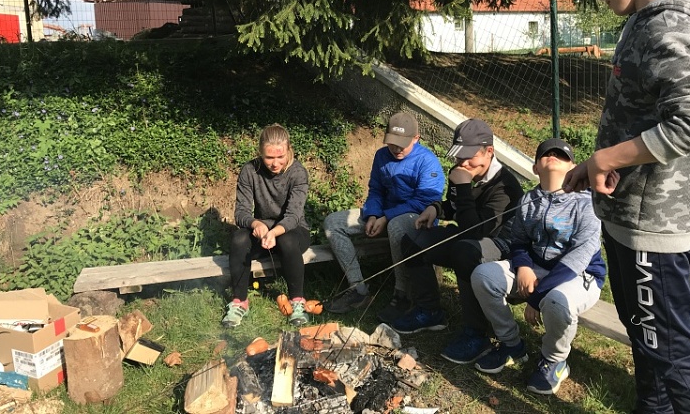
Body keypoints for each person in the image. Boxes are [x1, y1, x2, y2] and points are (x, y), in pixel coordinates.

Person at [564, 0, 690, 414]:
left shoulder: (670, 26)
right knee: (647, 339)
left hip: (652, 224)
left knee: (672, 353)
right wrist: (593, 164)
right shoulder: (645, 21)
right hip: (628, 215)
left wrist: (606, 158)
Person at [471, 138, 605, 395]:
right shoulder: (529, 200)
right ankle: (512, 345)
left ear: (573, 167)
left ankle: (555, 360)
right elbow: (519, 241)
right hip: (536, 268)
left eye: (562, 155)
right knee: (483, 275)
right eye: (546, 154)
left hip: (579, 275)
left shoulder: (587, 204)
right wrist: (523, 267)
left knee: (556, 301)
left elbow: (578, 259)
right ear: (535, 167)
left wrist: (536, 297)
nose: (553, 156)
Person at [391, 118, 524, 365]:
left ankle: (477, 333)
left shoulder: (505, 187)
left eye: (470, 156)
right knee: (413, 240)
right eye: (459, 156)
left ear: (489, 151)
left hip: (500, 246)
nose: (462, 162)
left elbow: (477, 231)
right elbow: (455, 208)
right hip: (468, 237)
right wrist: (436, 209)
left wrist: (463, 188)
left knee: (465, 252)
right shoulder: (461, 173)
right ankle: (429, 310)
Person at [323, 112, 444, 321]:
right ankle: (358, 289)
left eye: (402, 145)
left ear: (416, 138)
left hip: (414, 219)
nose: (396, 149)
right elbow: (376, 190)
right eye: (392, 143)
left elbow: (425, 202)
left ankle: (402, 294)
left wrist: (386, 217)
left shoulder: (427, 162)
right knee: (333, 223)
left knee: (396, 225)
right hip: (383, 215)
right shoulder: (381, 156)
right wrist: (372, 215)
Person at [222, 124, 312, 328]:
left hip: (293, 232)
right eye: (269, 157)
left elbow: (293, 216)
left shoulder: (298, 173)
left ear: (289, 150)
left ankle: (297, 300)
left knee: (287, 240)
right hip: (263, 232)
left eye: (280, 157)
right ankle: (239, 302)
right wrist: (255, 224)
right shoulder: (249, 170)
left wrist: (274, 232)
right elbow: (241, 212)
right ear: (260, 152)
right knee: (238, 239)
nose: (275, 163)